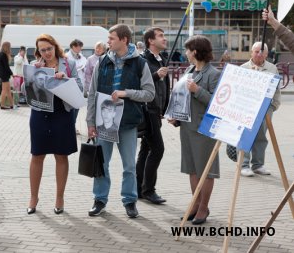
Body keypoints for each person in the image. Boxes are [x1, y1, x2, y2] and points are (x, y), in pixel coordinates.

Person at [86, 24, 155, 218]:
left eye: (112, 38)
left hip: (127, 122)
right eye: (108, 39)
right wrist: (90, 121)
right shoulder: (101, 62)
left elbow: (150, 94)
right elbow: (92, 94)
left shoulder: (140, 63)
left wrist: (126, 94)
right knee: (101, 163)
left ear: (124, 40)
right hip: (103, 121)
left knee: (129, 166)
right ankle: (99, 200)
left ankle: (130, 201)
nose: (108, 42)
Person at [27, 34, 82, 215]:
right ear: (38, 51)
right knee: (37, 155)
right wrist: (33, 75)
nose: (47, 52)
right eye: (42, 50)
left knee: (61, 155)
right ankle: (33, 197)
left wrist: (65, 78)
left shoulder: (69, 63)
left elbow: (80, 87)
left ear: (55, 47)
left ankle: (60, 197)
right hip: (40, 113)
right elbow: (23, 91)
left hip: (61, 113)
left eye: (49, 48)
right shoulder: (35, 65)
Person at [168, 35, 220, 225]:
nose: (186, 53)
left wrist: (197, 90)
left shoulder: (213, 74)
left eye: (188, 50)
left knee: (205, 170)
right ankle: (195, 204)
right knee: (192, 169)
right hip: (188, 128)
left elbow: (217, 103)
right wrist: (177, 117)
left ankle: (204, 207)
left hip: (203, 130)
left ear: (196, 51)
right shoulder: (189, 71)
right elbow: (183, 99)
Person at [136, 27, 170, 205]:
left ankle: (138, 188)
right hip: (147, 110)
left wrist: (165, 109)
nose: (164, 39)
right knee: (158, 149)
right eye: (161, 36)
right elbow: (140, 81)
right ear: (150, 41)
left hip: (157, 111)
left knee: (146, 149)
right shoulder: (143, 59)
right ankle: (149, 190)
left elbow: (166, 88)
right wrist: (157, 75)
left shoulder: (162, 58)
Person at [240, 42, 281, 177]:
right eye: (256, 51)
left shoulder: (272, 68)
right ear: (251, 52)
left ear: (266, 54)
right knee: (245, 135)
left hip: (265, 108)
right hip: (246, 107)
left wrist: (273, 105)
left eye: (262, 52)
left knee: (261, 136)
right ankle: (244, 164)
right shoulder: (243, 68)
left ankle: (258, 164)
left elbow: (276, 90)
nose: (259, 54)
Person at [66, 39, 86, 130]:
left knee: (77, 107)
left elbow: (85, 64)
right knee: (71, 108)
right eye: (78, 46)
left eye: (81, 47)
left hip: (80, 84)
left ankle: (72, 125)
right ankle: (70, 126)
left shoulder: (81, 56)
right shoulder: (67, 56)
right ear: (73, 46)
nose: (80, 49)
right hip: (70, 85)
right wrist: (77, 68)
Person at [0, 41, 15, 109]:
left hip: (2, 74)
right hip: (4, 75)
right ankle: (2, 105)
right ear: (7, 47)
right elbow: (6, 67)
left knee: (8, 90)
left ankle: (12, 104)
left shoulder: (0, 54)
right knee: (4, 90)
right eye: (9, 46)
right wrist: (12, 74)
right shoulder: (3, 55)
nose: (10, 48)